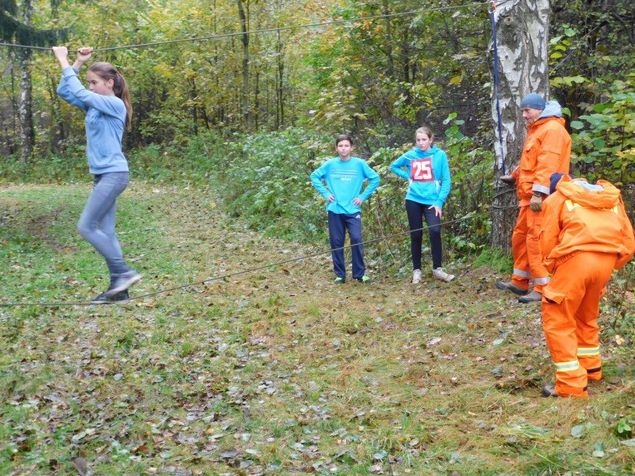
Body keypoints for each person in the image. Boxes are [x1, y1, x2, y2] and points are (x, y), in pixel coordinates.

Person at [53, 46, 141, 304]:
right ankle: (119, 289)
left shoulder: (113, 104)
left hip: (114, 173)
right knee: (107, 231)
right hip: (102, 175)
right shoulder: (94, 106)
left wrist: (63, 60)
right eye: (89, 82)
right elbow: (65, 91)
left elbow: (78, 91)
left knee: (86, 226)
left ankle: (124, 272)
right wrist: (78, 62)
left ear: (109, 83)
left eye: (94, 82)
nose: (90, 87)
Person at [538, 173, 635, 398]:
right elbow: (629, 242)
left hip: (575, 261)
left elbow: (547, 239)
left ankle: (571, 385)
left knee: (558, 316)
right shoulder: (611, 199)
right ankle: (591, 368)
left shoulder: (557, 199)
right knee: (586, 315)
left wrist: (553, 266)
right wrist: (612, 264)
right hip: (606, 262)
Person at [496, 93, 571, 303]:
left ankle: (542, 287)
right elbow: (531, 162)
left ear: (539, 109)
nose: (524, 115)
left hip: (542, 199)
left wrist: (539, 192)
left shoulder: (553, 130)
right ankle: (519, 282)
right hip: (528, 198)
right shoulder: (538, 129)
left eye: (527, 110)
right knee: (520, 237)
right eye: (522, 111)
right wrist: (514, 176)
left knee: (537, 241)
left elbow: (548, 164)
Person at [310, 134, 380, 284]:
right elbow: (314, 177)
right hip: (335, 209)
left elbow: (375, 179)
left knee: (356, 238)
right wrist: (326, 193)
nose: (343, 148)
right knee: (336, 241)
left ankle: (359, 274)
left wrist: (362, 197)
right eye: (340, 146)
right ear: (336, 148)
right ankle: (340, 274)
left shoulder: (359, 164)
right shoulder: (330, 164)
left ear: (352, 148)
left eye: (346, 145)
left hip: (353, 209)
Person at [390, 125, 454, 284]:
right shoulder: (411, 155)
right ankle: (416, 270)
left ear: (431, 139)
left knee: (434, 230)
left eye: (424, 139)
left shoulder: (439, 155)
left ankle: (437, 269)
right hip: (413, 199)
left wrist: (440, 201)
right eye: (418, 140)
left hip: (433, 201)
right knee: (416, 234)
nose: (421, 143)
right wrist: (408, 176)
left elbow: (446, 180)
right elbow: (394, 166)